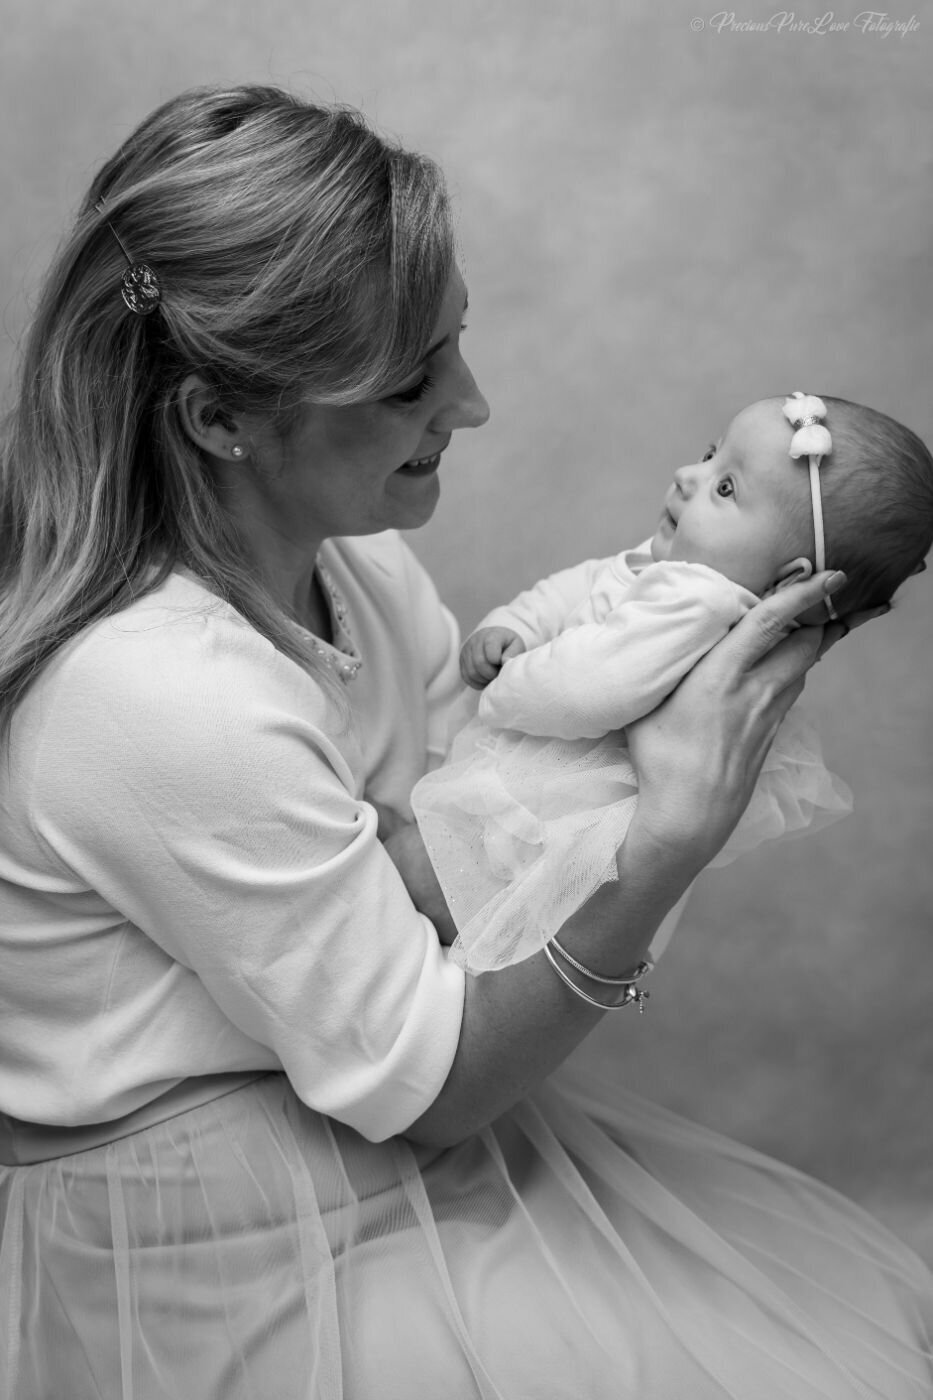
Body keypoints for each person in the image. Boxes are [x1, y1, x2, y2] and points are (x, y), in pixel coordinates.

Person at [0, 84, 930, 1400]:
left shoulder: (362, 571)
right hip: (217, 1254)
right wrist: (663, 843)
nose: (476, 403)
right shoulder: (163, 695)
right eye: (409, 379)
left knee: (857, 1337)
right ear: (219, 421)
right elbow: (434, 1076)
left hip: (390, 1150)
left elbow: (474, 835)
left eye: (458, 342)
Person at [410, 393, 933, 974]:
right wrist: (516, 625)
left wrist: (501, 685)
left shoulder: (700, 601)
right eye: (711, 455)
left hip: (542, 820)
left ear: (790, 581)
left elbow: (588, 689)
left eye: (726, 487)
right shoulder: (677, 573)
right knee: (424, 916)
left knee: (412, 882)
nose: (689, 476)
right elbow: (583, 585)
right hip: (545, 811)